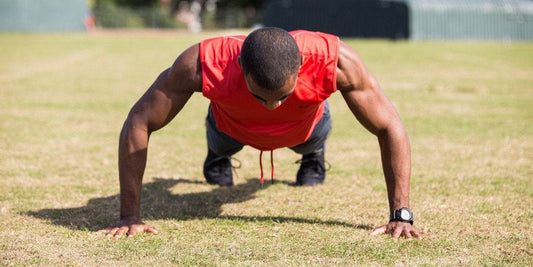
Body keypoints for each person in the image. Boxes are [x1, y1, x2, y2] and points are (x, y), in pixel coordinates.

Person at [98, 27, 428, 239]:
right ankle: (218, 156)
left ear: (302, 65)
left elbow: (389, 126)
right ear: (239, 66)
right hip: (230, 127)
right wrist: (129, 215)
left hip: (305, 130)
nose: (272, 107)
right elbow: (139, 121)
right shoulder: (203, 63)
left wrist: (401, 215)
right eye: (261, 96)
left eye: (282, 95)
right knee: (221, 142)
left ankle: (313, 157)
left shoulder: (333, 60)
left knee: (311, 140)